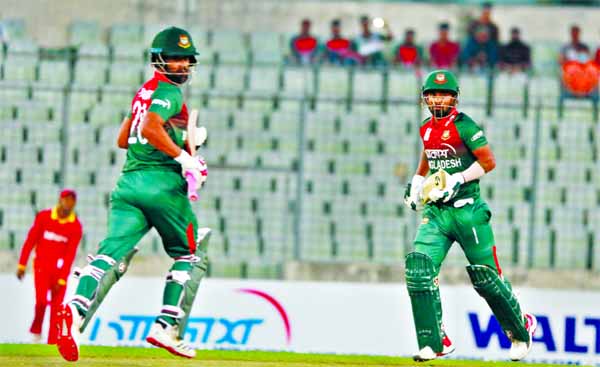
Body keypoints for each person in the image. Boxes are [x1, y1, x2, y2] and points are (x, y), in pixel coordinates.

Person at [55, 26, 209, 362]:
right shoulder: (170, 93)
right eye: (175, 58)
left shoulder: (144, 92)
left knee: (110, 254)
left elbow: (125, 139)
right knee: (191, 254)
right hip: (162, 186)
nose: (182, 64)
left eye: (186, 59)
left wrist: (183, 135)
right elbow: (150, 128)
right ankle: (166, 327)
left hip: (127, 186)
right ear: (159, 60)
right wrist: (185, 157)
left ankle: (76, 312)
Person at [403, 70, 537, 362]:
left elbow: (488, 162)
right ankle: (434, 341)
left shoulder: (465, 126)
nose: (439, 98)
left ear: (454, 97)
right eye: (433, 94)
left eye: (445, 94)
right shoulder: (426, 128)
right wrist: (416, 181)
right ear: (425, 97)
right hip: (437, 212)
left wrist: (458, 179)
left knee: (487, 279)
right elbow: (430, 154)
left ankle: (521, 329)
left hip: (468, 211)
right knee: (419, 269)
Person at [16, 189, 82, 345]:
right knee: (41, 302)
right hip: (42, 267)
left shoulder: (75, 226)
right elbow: (30, 241)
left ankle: (52, 341)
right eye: (66, 199)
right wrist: (21, 264)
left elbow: (69, 255)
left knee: (57, 308)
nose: (69, 203)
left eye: (72, 201)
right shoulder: (44, 217)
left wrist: (62, 278)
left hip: (60, 271)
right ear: (60, 200)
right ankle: (36, 332)